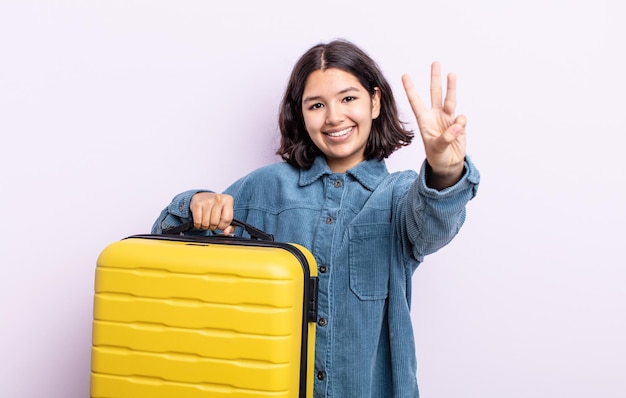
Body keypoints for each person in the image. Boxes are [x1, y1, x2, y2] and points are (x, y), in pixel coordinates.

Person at [152, 39, 480, 397]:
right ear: (301, 113)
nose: (334, 116)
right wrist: (196, 203)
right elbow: (168, 244)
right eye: (317, 105)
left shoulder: (400, 196)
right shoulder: (265, 188)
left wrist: (444, 170)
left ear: (375, 102)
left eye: (348, 98)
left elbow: (433, 223)